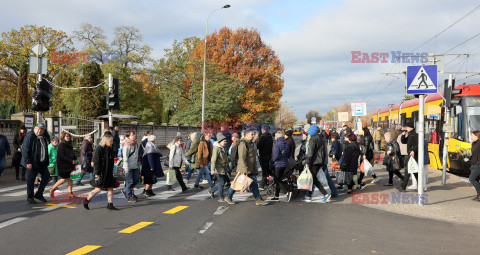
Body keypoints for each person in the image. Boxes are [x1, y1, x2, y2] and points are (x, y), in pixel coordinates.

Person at [225, 128, 268, 206]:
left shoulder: (250, 143)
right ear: (246, 134)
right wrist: (244, 169)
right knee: (238, 183)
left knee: (253, 184)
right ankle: (228, 196)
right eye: (251, 134)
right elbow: (242, 157)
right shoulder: (243, 143)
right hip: (245, 168)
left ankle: (258, 199)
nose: (253, 136)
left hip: (251, 168)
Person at [83, 134, 119, 210]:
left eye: (112, 141)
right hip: (101, 172)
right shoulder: (99, 148)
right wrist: (97, 174)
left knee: (110, 187)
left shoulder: (110, 149)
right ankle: (86, 200)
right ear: (105, 141)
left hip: (108, 172)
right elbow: (96, 162)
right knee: (98, 189)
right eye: (110, 141)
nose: (112, 142)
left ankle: (110, 204)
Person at [22, 123, 50, 204]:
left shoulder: (43, 136)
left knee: (46, 176)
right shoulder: (30, 136)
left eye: (41, 129)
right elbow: (25, 149)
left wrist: (45, 133)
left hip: (42, 161)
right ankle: (30, 197)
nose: (39, 131)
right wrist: (28, 162)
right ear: (34, 128)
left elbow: (48, 140)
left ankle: (39, 194)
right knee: (30, 179)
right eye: (38, 129)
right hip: (32, 162)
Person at [304, 125, 331, 202]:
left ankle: (325, 194)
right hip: (320, 161)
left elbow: (310, 152)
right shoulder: (321, 138)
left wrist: (307, 162)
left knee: (313, 179)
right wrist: (322, 163)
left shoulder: (313, 139)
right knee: (312, 178)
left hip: (314, 161)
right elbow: (323, 152)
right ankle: (308, 195)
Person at [49, 132, 77, 199]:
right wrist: (71, 160)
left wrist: (75, 159)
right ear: (63, 137)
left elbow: (72, 153)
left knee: (71, 179)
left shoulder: (70, 145)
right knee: (63, 179)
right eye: (66, 136)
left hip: (70, 165)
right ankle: (52, 189)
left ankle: (70, 193)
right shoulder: (61, 144)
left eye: (69, 136)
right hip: (63, 165)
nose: (68, 137)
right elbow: (61, 156)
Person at [270, 131, 292, 202]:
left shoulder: (277, 144)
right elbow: (289, 155)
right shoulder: (286, 144)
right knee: (279, 179)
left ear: (277, 137)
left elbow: (275, 156)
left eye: (275, 137)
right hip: (285, 164)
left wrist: (272, 161)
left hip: (278, 164)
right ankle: (276, 196)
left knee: (277, 180)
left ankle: (287, 192)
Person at [209, 134, 229, 202]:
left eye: (226, 141)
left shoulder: (222, 147)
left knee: (223, 182)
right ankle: (220, 197)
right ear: (220, 141)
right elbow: (213, 159)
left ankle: (212, 191)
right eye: (224, 141)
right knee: (222, 183)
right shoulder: (216, 148)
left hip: (223, 168)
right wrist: (212, 169)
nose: (225, 142)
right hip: (218, 168)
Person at [121, 131, 140, 202]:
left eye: (134, 134)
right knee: (130, 182)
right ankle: (129, 195)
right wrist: (126, 168)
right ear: (128, 136)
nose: (134, 136)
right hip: (128, 167)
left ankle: (125, 190)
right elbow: (125, 157)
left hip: (134, 166)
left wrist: (138, 162)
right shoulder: (127, 145)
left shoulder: (135, 144)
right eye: (132, 135)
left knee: (136, 180)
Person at [400, 122, 419, 192]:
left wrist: (413, 150)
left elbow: (418, 144)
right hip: (410, 154)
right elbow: (403, 141)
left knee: (408, 171)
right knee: (414, 171)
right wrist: (403, 135)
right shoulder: (410, 134)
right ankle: (420, 186)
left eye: (407, 127)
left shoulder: (415, 134)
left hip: (413, 155)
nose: (406, 129)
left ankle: (403, 186)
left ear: (411, 127)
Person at [257, 125, 273, 189]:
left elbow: (258, 146)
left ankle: (263, 184)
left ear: (263, 130)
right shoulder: (270, 136)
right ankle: (269, 182)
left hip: (263, 155)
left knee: (264, 170)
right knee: (268, 169)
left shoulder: (262, 137)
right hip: (269, 155)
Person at [469, 131, 480, 201]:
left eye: (472, 135)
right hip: (473, 164)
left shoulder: (479, 144)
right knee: (476, 180)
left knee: (472, 179)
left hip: (478, 165)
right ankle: (478, 195)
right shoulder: (474, 144)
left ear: (477, 136)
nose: (471, 137)